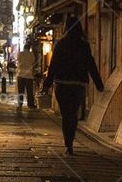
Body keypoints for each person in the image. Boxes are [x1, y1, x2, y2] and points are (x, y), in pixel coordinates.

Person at [42, 14, 104, 154]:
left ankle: (68, 144)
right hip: (77, 85)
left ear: (65, 28)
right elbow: (90, 64)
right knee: (73, 114)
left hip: (62, 84)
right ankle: (70, 142)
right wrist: (98, 83)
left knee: (65, 115)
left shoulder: (60, 44)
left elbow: (53, 65)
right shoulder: (83, 45)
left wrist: (47, 84)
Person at [16, 43, 37, 110]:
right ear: (29, 48)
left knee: (20, 91)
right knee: (29, 91)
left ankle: (20, 105)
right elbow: (33, 62)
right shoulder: (31, 54)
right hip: (29, 76)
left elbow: (18, 60)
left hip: (21, 75)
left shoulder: (20, 54)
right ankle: (30, 105)